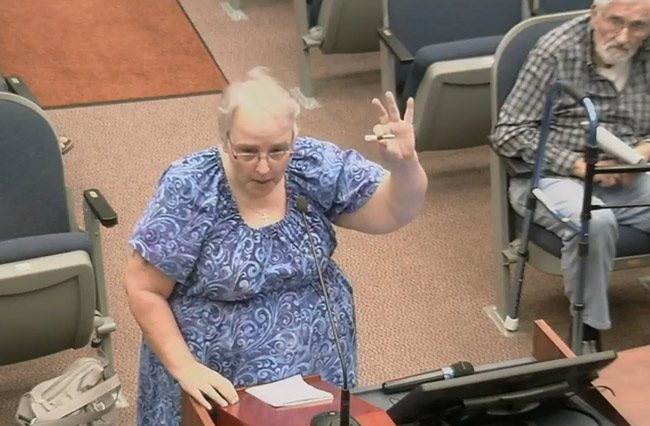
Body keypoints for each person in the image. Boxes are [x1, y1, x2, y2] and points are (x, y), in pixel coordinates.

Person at [124, 67, 427, 425]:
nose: (264, 168)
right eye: (248, 152)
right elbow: (143, 288)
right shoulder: (191, 186)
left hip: (313, 366)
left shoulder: (310, 165)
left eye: (278, 150)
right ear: (225, 139)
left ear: (294, 139)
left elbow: (392, 211)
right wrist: (186, 367)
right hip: (218, 378)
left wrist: (405, 166)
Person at [492, 0, 650, 352]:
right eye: (616, 21)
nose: (624, 36)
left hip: (628, 172)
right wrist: (579, 165)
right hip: (554, 174)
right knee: (595, 223)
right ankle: (587, 334)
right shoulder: (557, 49)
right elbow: (509, 132)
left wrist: (640, 155)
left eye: (638, 26)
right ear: (596, 12)